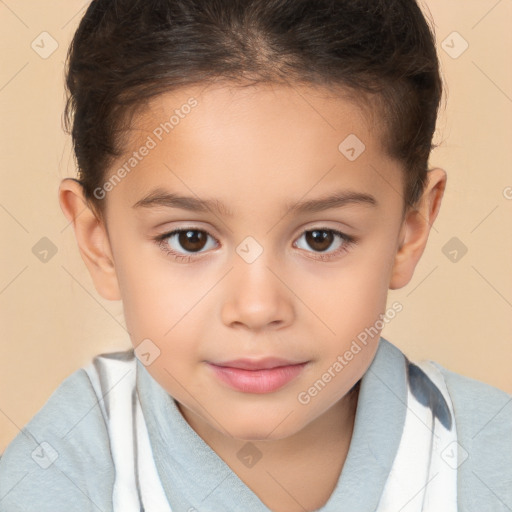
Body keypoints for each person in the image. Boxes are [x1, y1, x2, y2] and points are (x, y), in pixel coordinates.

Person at [0, 0, 510, 511]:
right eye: (190, 239)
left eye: (320, 238)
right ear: (100, 242)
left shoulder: (491, 461)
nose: (258, 307)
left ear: (409, 230)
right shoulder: (54, 479)